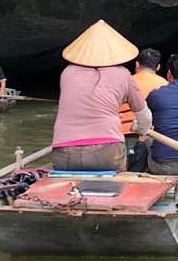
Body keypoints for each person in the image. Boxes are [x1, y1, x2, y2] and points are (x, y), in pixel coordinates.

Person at [51, 20, 153, 173]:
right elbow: (144, 116)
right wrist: (141, 128)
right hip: (107, 152)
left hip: (63, 152)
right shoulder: (123, 73)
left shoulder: (67, 72)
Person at [119, 48, 168, 133]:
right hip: (153, 133)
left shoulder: (124, 82)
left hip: (124, 130)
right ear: (158, 67)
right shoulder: (165, 84)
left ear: (137, 64)